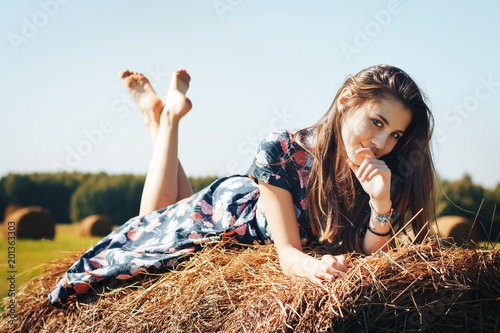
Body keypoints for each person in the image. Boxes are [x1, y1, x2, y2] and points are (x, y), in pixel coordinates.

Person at [49, 65, 436, 306]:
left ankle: (159, 119)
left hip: (243, 221)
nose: (382, 144)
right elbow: (288, 254)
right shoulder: (282, 151)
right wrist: (318, 266)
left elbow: (370, 252)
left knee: (170, 204)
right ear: (347, 99)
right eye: (377, 122)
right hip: (228, 216)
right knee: (152, 221)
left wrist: (380, 203)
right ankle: (164, 120)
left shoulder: (380, 173)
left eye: (396, 135)